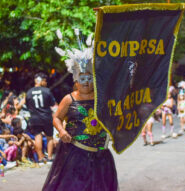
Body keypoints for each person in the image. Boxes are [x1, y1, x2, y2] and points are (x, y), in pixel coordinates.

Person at [42, 30, 118, 191]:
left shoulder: (101, 97)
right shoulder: (69, 99)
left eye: (89, 79)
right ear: (76, 81)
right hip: (75, 153)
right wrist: (62, 131)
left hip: (100, 154)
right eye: (82, 79)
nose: (86, 82)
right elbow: (56, 117)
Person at [26, 73, 56, 163]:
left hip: (34, 118)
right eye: (45, 81)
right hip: (46, 117)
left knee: (37, 136)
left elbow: (28, 105)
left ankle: (40, 158)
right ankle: (50, 157)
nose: (46, 82)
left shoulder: (29, 92)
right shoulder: (47, 91)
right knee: (49, 137)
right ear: (41, 81)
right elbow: (52, 104)